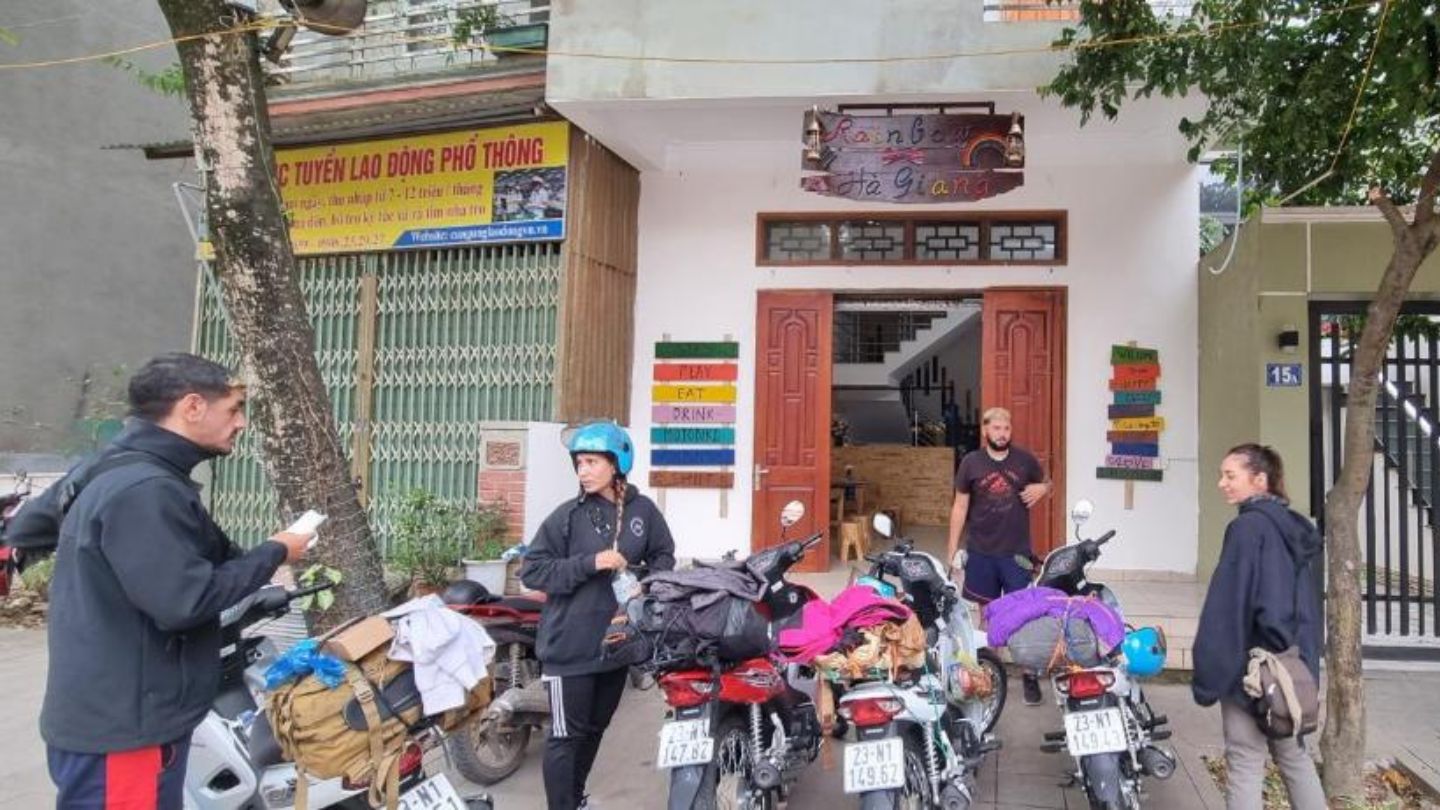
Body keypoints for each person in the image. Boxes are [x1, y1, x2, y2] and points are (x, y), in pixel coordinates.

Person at [39, 353, 311, 809]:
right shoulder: (144, 490)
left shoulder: (141, 474)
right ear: (191, 407)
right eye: (233, 409)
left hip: (126, 716)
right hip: (125, 729)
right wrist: (277, 551)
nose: (241, 423)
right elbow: (186, 600)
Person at [521, 421, 676, 810]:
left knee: (593, 730)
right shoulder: (566, 517)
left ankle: (574, 799)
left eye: (591, 462)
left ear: (616, 463)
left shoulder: (642, 511)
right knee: (564, 737)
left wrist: (646, 583)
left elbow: (664, 555)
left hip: (615, 648)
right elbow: (533, 571)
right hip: (567, 648)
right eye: (579, 463)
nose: (583, 471)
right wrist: (589, 563)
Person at [1193, 444, 1325, 810]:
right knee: (1295, 757)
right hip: (1292, 669)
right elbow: (1304, 609)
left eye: (1230, 475)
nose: (1222, 483)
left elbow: (1229, 607)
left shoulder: (1247, 530)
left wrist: (1211, 672)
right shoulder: (1292, 530)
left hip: (1252, 671)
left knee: (1245, 760)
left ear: (1260, 479)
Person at [946, 406, 1051, 705]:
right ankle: (987, 673)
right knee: (988, 614)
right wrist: (952, 548)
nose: (1002, 434)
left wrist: (1043, 488)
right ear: (985, 430)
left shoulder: (1025, 460)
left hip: (1016, 553)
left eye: (1006, 429)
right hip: (981, 551)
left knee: (1023, 616)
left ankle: (1029, 675)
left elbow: (1049, 483)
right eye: (996, 429)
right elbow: (960, 507)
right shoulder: (971, 463)